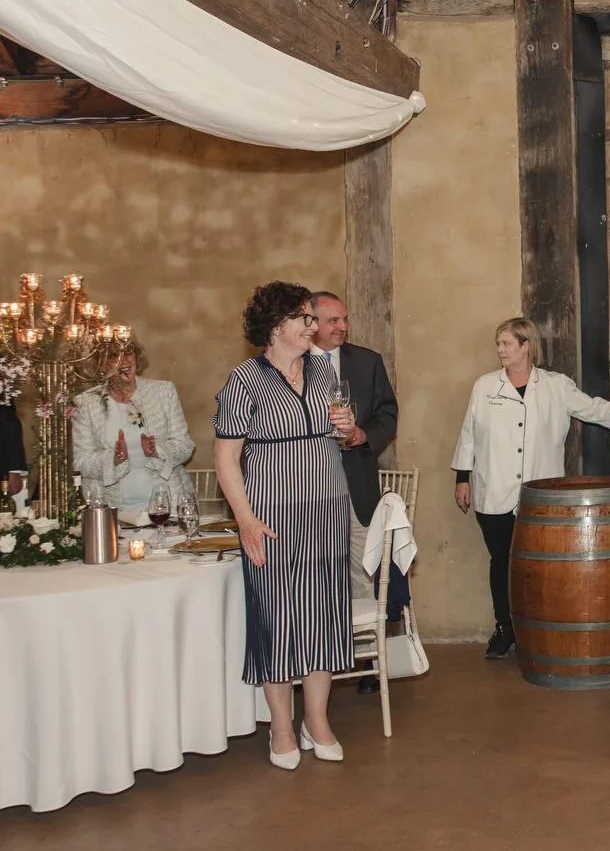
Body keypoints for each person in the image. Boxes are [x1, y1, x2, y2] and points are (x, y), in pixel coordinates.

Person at [452, 317, 610, 660]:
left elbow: (593, 408)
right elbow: (469, 434)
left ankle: (538, 628)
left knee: (539, 567)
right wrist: (463, 477)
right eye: (499, 344)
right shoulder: (485, 386)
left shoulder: (555, 385)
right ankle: (504, 628)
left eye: (506, 343)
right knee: (500, 562)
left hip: (540, 495)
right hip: (494, 489)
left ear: (526, 346)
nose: (500, 350)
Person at [214, 281, 354, 770]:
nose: (313, 327)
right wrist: (246, 520)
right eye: (304, 318)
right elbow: (226, 458)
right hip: (271, 518)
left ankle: (317, 722)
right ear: (275, 326)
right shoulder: (244, 380)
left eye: (312, 318)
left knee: (323, 618)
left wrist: (346, 427)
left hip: (328, 515)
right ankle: (280, 727)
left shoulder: (322, 369)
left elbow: (345, 429)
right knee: (277, 619)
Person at [309, 292, 399, 695]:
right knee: (315, 571)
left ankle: (366, 659)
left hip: (356, 484)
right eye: (333, 321)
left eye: (344, 319)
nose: (342, 327)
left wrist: (363, 436)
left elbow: (387, 413)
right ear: (309, 323)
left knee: (363, 568)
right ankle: (314, 655)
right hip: (307, 490)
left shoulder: (367, 362)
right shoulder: (290, 365)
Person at [72, 339, 195, 521]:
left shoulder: (163, 391)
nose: (125, 360)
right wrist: (112, 459)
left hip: (166, 506)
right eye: (114, 356)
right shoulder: (86, 403)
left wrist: (157, 451)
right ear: (102, 364)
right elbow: (81, 461)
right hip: (113, 510)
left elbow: (185, 446)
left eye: (129, 352)